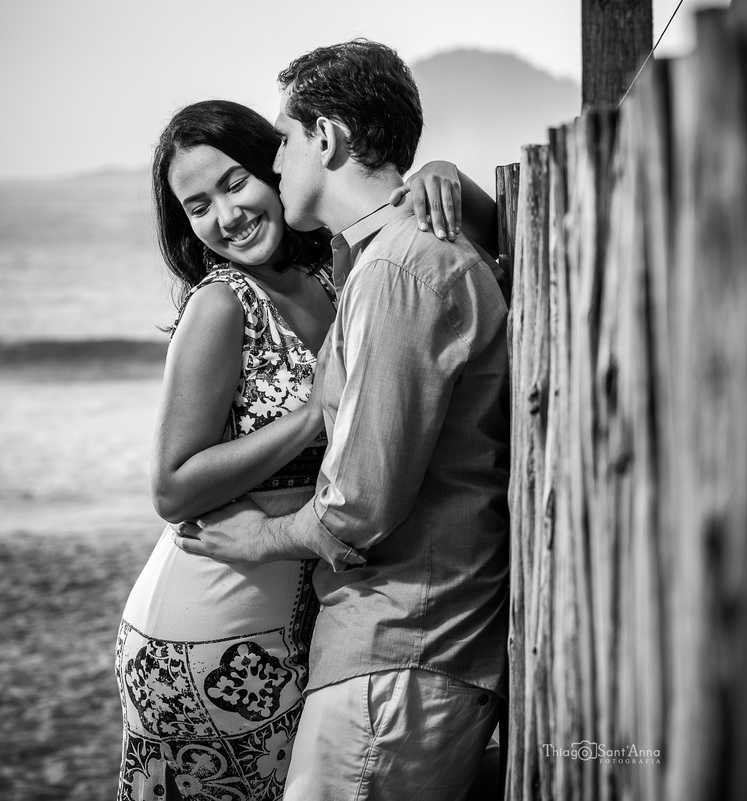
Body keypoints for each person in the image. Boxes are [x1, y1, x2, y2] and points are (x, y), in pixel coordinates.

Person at [116, 98, 493, 801]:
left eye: (235, 184)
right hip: (204, 629)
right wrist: (310, 417)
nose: (225, 217)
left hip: (295, 624)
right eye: (197, 206)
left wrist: (450, 179)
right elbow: (171, 488)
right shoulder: (222, 303)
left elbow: (479, 255)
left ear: (276, 163)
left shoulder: (334, 269)